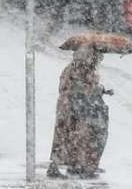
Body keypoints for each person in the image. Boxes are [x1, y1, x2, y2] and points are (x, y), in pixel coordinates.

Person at [47, 46, 111, 179]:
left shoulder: (82, 69)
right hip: (71, 107)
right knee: (66, 136)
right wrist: (97, 89)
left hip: (76, 107)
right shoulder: (77, 69)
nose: (98, 61)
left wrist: (101, 89)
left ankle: (77, 164)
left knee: (75, 137)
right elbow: (78, 87)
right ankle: (56, 166)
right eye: (96, 58)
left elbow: (86, 86)